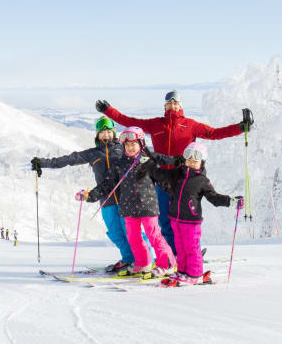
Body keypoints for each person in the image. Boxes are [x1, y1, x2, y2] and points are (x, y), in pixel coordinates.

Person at [95, 90, 253, 254]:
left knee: (187, 219)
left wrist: (240, 128)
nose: (172, 105)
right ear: (165, 106)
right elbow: (128, 121)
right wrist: (108, 111)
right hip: (162, 179)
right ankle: (173, 255)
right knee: (164, 221)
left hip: (184, 179)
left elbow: (214, 133)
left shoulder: (191, 125)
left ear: (180, 105)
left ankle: (193, 253)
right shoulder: (156, 124)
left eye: (175, 102)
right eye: (169, 103)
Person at [31, 117, 155, 273]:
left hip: (127, 199)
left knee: (132, 233)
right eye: (103, 133)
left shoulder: (123, 149)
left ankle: (149, 260)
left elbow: (143, 155)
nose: (107, 135)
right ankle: (129, 259)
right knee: (115, 233)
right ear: (97, 135)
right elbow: (69, 159)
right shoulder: (93, 154)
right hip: (106, 199)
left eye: (109, 132)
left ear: (114, 133)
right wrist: (43, 163)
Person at [77, 126, 176, 277]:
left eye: (133, 144)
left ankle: (167, 264)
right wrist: (90, 195)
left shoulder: (146, 160)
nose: (130, 148)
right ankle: (143, 264)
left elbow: (163, 173)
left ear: (141, 144)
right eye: (127, 145)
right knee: (133, 238)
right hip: (128, 208)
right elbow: (107, 184)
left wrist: (182, 164)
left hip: (147, 205)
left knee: (153, 235)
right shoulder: (119, 163)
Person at [144, 141, 244, 286]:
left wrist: (231, 201)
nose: (191, 162)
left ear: (202, 162)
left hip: (191, 221)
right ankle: (183, 271)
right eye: (188, 158)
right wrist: (148, 163)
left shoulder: (202, 181)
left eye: (195, 160)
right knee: (180, 247)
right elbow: (159, 174)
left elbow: (214, 198)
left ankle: (195, 274)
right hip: (175, 218)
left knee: (191, 248)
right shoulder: (177, 175)